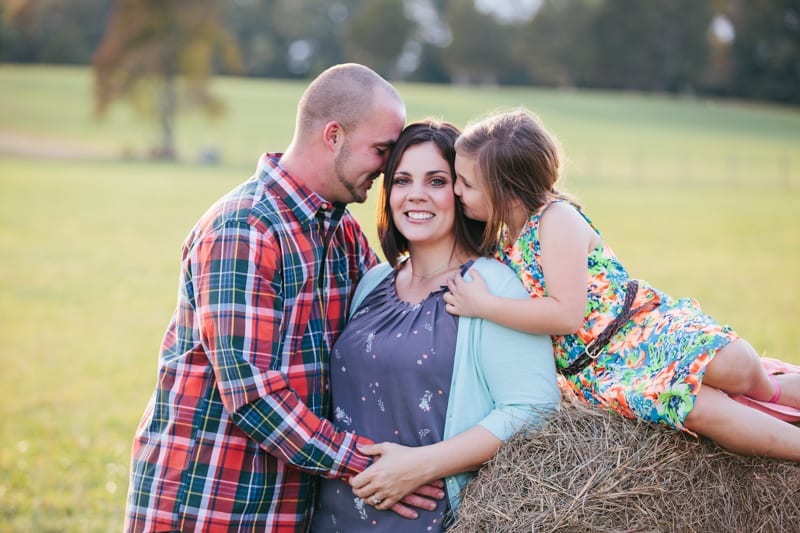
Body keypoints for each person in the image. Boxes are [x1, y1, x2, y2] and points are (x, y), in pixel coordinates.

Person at [123, 63, 445, 531]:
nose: (386, 168)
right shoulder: (246, 230)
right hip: (209, 502)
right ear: (333, 135)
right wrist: (371, 462)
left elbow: (400, 317)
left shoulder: (343, 234)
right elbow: (254, 396)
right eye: (381, 150)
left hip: (287, 506)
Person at [444, 107, 800, 462]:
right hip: (599, 372)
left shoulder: (555, 220)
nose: (456, 190)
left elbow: (566, 314)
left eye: (466, 183)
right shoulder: (504, 241)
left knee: (735, 367)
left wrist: (484, 305)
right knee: (696, 410)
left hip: (639, 330)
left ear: (509, 192)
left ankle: (770, 392)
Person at [310, 120, 561, 532]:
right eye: (403, 180)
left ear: (464, 191)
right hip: (334, 519)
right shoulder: (373, 282)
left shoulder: (491, 286)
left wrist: (419, 466)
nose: (416, 195)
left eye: (437, 181)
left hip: (430, 522)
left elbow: (532, 409)